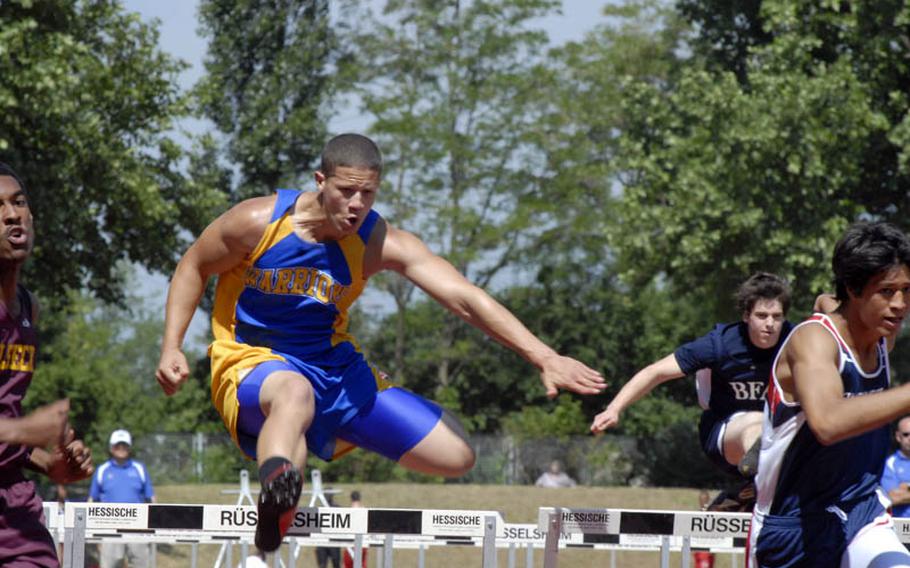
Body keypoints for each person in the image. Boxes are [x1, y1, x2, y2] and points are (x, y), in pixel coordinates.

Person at [155, 133, 605, 552]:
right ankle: (274, 500)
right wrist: (171, 346)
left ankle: (318, 435)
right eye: (345, 191)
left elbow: (465, 298)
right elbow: (194, 266)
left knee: (456, 454)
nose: (356, 205)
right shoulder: (258, 222)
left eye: (368, 194)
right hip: (251, 361)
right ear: (320, 181)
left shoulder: (377, 241)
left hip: (334, 369)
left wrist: (543, 356)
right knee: (293, 393)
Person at [749, 222, 910, 567]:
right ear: (853, 289)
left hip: (861, 509)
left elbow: (829, 301)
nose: (900, 304)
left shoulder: (882, 335)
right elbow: (827, 422)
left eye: (907, 290)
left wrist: (827, 300)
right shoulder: (813, 341)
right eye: (886, 291)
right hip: (794, 523)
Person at [590, 272, 793, 483]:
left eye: (777, 317)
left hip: (781, 431)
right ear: (745, 316)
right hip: (725, 433)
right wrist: (614, 409)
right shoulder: (718, 345)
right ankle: (762, 481)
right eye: (761, 316)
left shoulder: (798, 341)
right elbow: (655, 372)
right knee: (758, 423)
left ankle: (754, 490)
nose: (770, 324)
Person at [0, 163, 94, 567]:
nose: (11, 214)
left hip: (12, 503)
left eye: (18, 202)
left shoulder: (28, 308)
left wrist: (49, 462)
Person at [89, 429, 155, 568]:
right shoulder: (102, 470)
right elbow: (92, 501)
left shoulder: (140, 469)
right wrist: (94, 533)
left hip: (138, 529)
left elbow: (151, 499)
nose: (121, 449)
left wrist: (153, 529)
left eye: (124, 445)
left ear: (129, 448)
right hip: (109, 528)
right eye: (117, 445)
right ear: (111, 448)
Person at [883, 415, 910, 518]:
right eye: (906, 434)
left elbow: (900, 496)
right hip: (901, 527)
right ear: (898, 437)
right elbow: (893, 498)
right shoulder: (889, 463)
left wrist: (906, 489)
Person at [342, 491, 366, 568]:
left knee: (348, 565)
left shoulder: (348, 511)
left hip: (350, 543)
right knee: (362, 565)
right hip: (363, 543)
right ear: (360, 498)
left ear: (351, 499)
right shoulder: (364, 510)